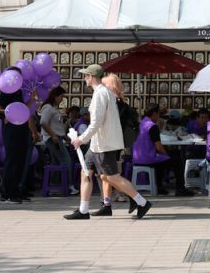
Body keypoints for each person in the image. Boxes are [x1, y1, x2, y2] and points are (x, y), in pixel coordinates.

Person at [63, 64, 151, 220]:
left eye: (86, 75)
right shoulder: (105, 93)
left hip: (103, 144)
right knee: (86, 173)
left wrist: (81, 139)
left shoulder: (100, 94)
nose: (84, 78)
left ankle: (141, 202)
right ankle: (83, 210)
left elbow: (96, 122)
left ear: (91, 77)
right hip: (98, 144)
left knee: (111, 177)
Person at [98, 73, 140, 209]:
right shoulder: (119, 103)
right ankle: (106, 202)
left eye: (104, 85)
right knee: (106, 174)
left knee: (109, 175)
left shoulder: (113, 103)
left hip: (109, 143)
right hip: (112, 143)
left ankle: (134, 198)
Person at [0, 66, 32, 204]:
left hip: (21, 127)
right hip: (10, 129)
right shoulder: (6, 90)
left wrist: (32, 100)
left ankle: (16, 190)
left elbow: (21, 109)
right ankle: (6, 193)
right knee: (12, 160)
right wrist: (4, 115)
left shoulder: (19, 91)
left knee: (20, 160)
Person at [40, 86, 78, 195]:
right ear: (55, 96)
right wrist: (53, 135)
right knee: (66, 161)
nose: (62, 99)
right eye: (61, 96)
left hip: (57, 137)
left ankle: (54, 186)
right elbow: (43, 122)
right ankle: (69, 185)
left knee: (56, 163)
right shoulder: (48, 108)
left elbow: (56, 126)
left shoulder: (53, 108)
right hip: (53, 139)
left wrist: (64, 136)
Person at [132, 103, 172, 196]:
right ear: (154, 113)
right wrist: (167, 154)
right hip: (148, 158)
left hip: (136, 157)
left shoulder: (141, 123)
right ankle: (179, 187)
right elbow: (158, 146)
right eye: (158, 114)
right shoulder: (152, 126)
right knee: (174, 160)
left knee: (162, 160)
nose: (158, 116)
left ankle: (158, 185)